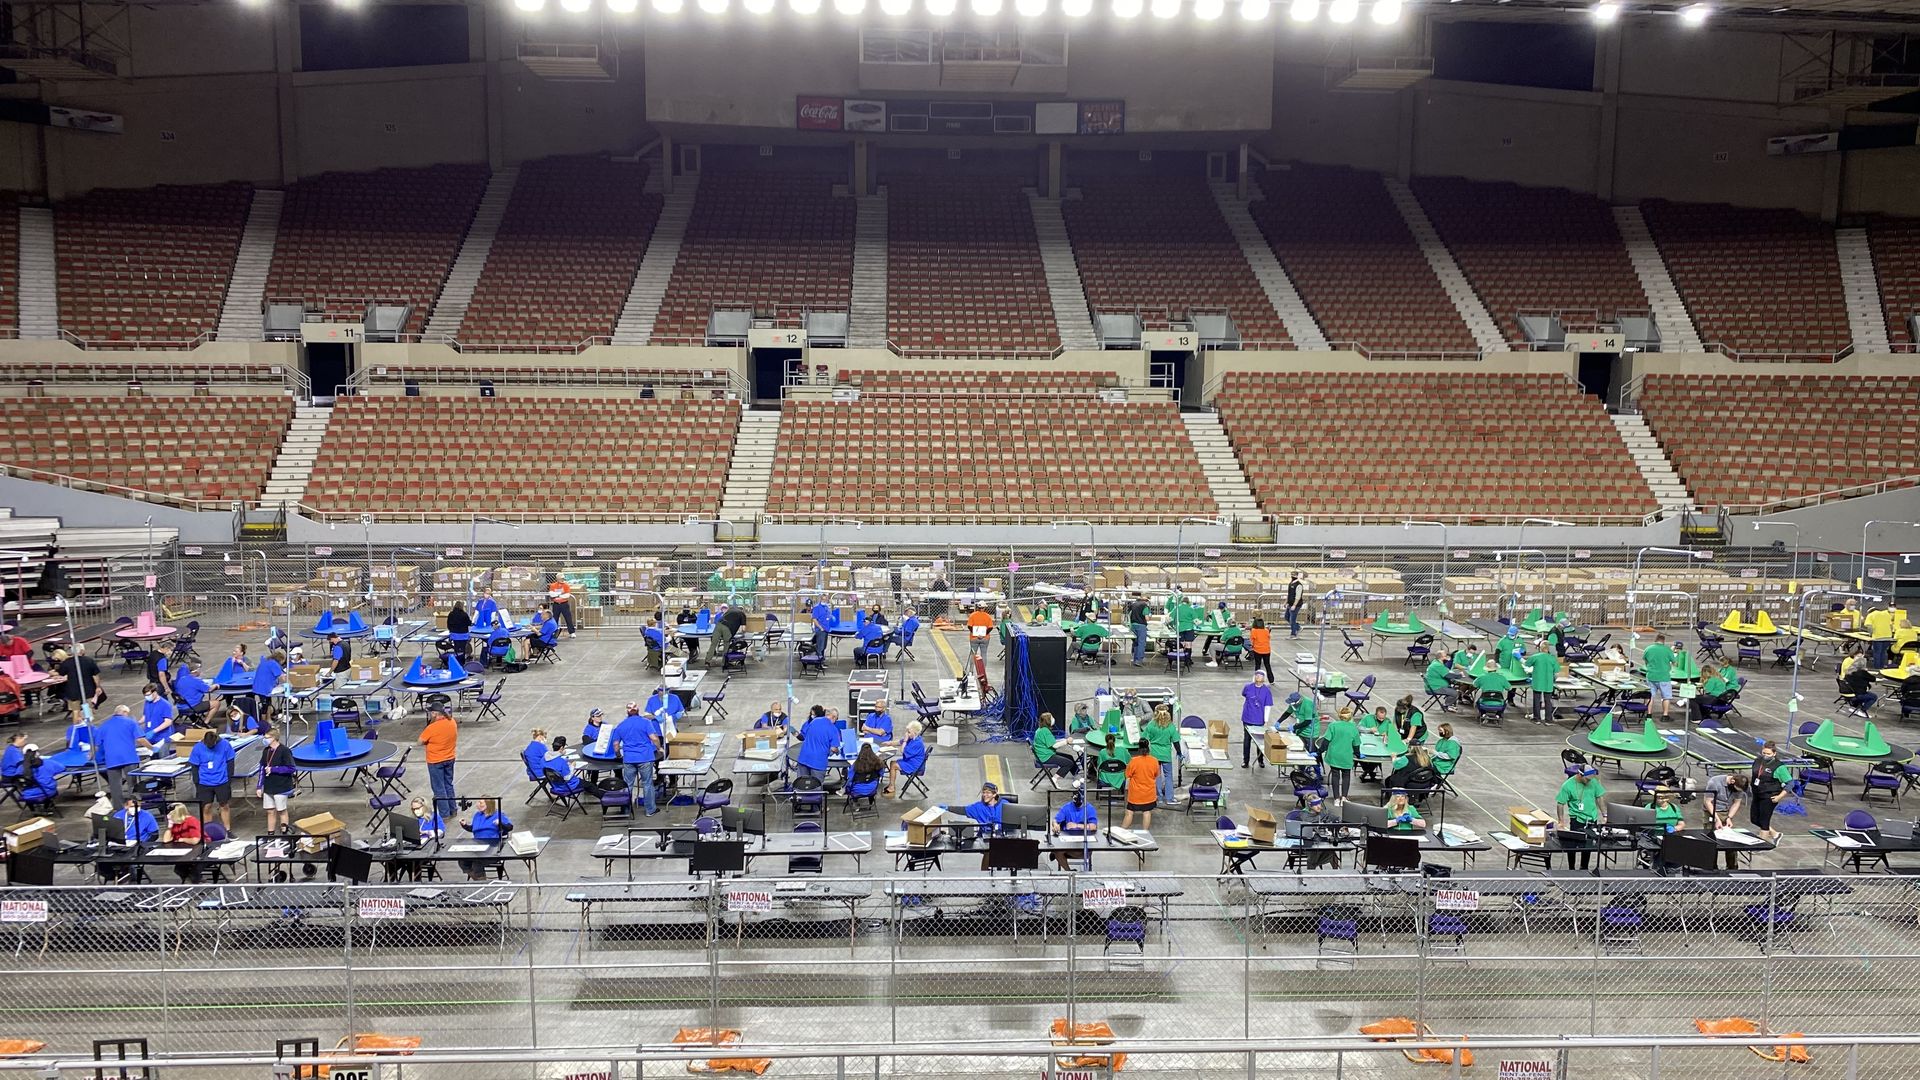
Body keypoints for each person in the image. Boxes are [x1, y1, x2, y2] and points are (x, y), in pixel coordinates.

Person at [94, 704, 151, 806]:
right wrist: (152, 748)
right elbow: (140, 739)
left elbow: (96, 745)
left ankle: (118, 807)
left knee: (115, 786)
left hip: (112, 759)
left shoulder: (104, 725)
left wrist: (90, 756)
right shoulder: (131, 722)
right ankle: (134, 805)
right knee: (132, 784)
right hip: (129, 758)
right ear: (124, 712)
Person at [610, 707, 662, 816]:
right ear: (638, 711)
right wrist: (659, 748)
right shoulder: (646, 722)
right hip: (645, 758)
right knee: (647, 784)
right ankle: (650, 810)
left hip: (629, 759)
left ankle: (626, 810)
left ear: (627, 713)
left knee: (628, 784)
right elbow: (654, 738)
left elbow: (615, 745)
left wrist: (618, 755)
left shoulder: (621, 725)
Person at [1556, 765, 1607, 869]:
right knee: (1572, 846)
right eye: (1587, 779)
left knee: (1588, 846)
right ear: (1580, 775)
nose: (1589, 782)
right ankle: (1571, 868)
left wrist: (1604, 814)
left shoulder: (1593, 782)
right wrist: (1561, 821)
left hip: (1591, 819)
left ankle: (1584, 868)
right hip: (1577, 819)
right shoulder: (1568, 785)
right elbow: (1560, 803)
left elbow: (1599, 797)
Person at [188, 729, 237, 833]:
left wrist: (229, 778)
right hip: (204, 782)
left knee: (224, 805)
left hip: (222, 781)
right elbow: (194, 766)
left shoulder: (225, 745)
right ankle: (208, 831)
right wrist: (197, 782)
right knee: (206, 807)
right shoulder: (197, 748)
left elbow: (230, 761)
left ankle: (227, 830)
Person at [1703, 772, 1749, 870]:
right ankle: (1711, 867)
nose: (1737, 792)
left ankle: (1732, 867)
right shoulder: (1714, 782)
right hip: (1712, 811)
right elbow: (1708, 802)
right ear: (1732, 781)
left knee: (1731, 841)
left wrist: (1729, 817)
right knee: (1712, 840)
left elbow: (1736, 803)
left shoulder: (1739, 787)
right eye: (1736, 789)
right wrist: (1716, 819)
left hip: (1726, 811)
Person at [420, 710, 460, 821]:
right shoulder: (452, 722)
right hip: (450, 758)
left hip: (435, 760)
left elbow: (420, 741)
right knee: (448, 785)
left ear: (434, 714)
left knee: (439, 788)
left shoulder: (432, 728)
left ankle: (444, 814)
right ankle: (453, 809)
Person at [458, 799, 512, 879]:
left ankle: (482, 883)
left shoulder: (498, 814)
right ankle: (478, 879)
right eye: (478, 802)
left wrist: (500, 823)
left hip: (492, 849)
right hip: (477, 848)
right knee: (462, 861)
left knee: (477, 863)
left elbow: (509, 827)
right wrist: (465, 825)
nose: (478, 804)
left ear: (488, 804)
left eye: (481, 803)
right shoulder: (477, 815)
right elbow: (474, 828)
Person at [1749, 741, 1792, 842]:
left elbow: (1790, 784)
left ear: (1774, 753)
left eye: (1768, 754)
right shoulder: (1757, 761)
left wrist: (1779, 797)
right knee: (1754, 819)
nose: (1766, 755)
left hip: (1770, 796)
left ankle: (1761, 844)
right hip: (1757, 794)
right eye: (1764, 753)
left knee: (1764, 821)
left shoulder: (1779, 767)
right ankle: (1775, 834)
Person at [257, 728, 296, 834]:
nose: (265, 740)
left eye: (266, 738)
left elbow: (291, 768)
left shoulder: (284, 750)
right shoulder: (266, 751)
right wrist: (259, 786)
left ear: (274, 738)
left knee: (281, 810)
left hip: (281, 786)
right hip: (269, 786)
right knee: (270, 811)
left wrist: (274, 769)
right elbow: (262, 768)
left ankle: (284, 832)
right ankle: (270, 834)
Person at [52, 647, 103, 727]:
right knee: (88, 710)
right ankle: (89, 728)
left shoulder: (67, 662)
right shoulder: (89, 661)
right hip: (88, 690)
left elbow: (61, 673)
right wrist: (98, 686)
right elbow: (95, 676)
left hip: (72, 691)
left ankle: (76, 729)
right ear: (82, 651)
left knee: (75, 711)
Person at [1051, 785, 1099, 870]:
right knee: (1057, 851)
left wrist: (1077, 825)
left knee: (1058, 851)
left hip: (1083, 845)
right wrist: (1055, 825)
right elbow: (1055, 820)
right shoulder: (1067, 807)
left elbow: (1093, 826)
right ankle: (1069, 872)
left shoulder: (1089, 808)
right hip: (1067, 844)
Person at [1319, 705, 1360, 804]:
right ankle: (1344, 798)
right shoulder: (1353, 728)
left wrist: (1319, 752)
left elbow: (1326, 741)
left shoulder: (1333, 726)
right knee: (1346, 776)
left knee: (1335, 776)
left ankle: (1336, 799)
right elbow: (1356, 744)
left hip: (1334, 756)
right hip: (1346, 756)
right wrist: (1358, 754)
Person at [1144, 706, 1180, 806]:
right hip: (1166, 755)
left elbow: (1144, 739)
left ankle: (1158, 798)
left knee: (1157, 776)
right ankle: (1169, 798)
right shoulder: (1170, 726)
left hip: (1154, 754)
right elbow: (1176, 741)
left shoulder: (1151, 725)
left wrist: (1145, 752)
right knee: (1168, 776)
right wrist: (1179, 752)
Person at [1122, 740, 1160, 831]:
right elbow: (1156, 775)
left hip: (1135, 794)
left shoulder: (1134, 761)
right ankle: (1145, 833)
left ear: (1138, 749)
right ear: (1148, 748)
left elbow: (1127, 775)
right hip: (1149, 794)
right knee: (1146, 812)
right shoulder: (1154, 761)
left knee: (1129, 812)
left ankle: (1121, 832)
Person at [794, 706, 837, 785]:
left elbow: (804, 736)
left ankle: (801, 796)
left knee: (801, 785)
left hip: (804, 759)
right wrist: (836, 751)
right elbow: (833, 749)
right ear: (833, 717)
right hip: (818, 763)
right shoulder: (833, 729)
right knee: (816, 788)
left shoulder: (814, 721)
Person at [1240, 671, 1274, 769]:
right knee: (1247, 740)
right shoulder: (1248, 687)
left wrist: (1266, 720)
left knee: (1260, 741)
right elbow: (1244, 694)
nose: (1258, 677)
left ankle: (1260, 760)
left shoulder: (1266, 691)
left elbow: (1267, 706)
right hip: (1247, 718)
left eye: (1260, 676)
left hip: (1259, 720)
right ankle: (1245, 761)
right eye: (1256, 676)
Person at [1642, 634, 1677, 721]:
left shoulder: (1648, 649)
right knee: (1666, 697)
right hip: (1664, 677)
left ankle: (1648, 714)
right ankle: (1665, 715)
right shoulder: (1667, 650)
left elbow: (1645, 661)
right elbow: (1675, 663)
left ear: (1655, 640)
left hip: (1651, 676)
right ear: (1663, 641)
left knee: (1650, 696)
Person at [888, 720, 928, 796]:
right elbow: (900, 742)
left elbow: (902, 750)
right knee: (892, 762)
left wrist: (905, 740)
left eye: (909, 732)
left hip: (914, 766)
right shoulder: (914, 738)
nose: (907, 733)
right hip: (911, 761)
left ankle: (891, 787)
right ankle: (891, 785)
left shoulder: (917, 743)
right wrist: (889, 743)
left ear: (915, 733)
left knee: (893, 765)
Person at [1032, 712, 1078, 778]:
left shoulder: (1041, 729)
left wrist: (1063, 740)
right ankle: (1055, 779)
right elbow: (1054, 745)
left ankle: (1077, 775)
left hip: (1044, 754)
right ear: (1048, 721)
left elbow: (1051, 741)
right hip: (1046, 757)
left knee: (1069, 757)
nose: (1053, 719)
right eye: (1051, 718)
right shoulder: (1045, 731)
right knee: (1069, 763)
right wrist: (1066, 741)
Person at [248, 649, 285, 727]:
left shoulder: (265, 661)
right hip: (263, 688)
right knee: (265, 705)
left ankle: (268, 720)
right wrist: (288, 684)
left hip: (259, 686)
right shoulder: (274, 664)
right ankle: (263, 723)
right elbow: (281, 676)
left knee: (268, 703)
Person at [141, 684, 177, 755]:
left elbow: (168, 722)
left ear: (154, 693)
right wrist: (137, 723)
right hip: (150, 739)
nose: (147, 697)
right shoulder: (147, 703)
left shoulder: (165, 704)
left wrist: (154, 731)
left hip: (162, 739)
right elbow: (145, 716)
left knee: (162, 759)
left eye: (148, 695)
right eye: (145, 696)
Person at [1527, 647, 1560, 725]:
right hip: (1548, 683)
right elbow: (1557, 672)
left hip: (1538, 682)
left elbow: (1527, 664)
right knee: (1548, 701)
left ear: (1540, 648)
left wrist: (1519, 658)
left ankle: (1536, 719)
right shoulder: (1552, 659)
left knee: (1537, 700)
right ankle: (1548, 720)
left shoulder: (1535, 657)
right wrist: (1554, 680)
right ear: (1548, 649)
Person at [1867, 603, 1896, 670]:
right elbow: (1891, 626)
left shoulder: (1871, 615)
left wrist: (1870, 634)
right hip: (1888, 637)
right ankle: (1882, 666)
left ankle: (1877, 667)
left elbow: (1869, 626)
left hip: (1878, 637)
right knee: (1883, 652)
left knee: (1877, 652)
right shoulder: (1886, 614)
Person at [1126, 593, 1151, 667]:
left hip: (1133, 625)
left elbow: (1128, 615)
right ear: (1146, 600)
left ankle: (1135, 659)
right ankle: (1139, 660)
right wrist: (1150, 616)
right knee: (1141, 643)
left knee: (1135, 643)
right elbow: (1147, 618)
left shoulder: (1133, 604)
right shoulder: (1145, 606)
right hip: (1141, 626)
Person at [1285, 572, 1304, 638]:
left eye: (1294, 575)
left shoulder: (1299, 585)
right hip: (1290, 603)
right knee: (1287, 617)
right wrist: (1286, 602)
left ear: (1297, 576)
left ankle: (1293, 634)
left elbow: (1298, 596)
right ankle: (1298, 627)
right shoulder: (1290, 584)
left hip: (1296, 605)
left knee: (1292, 619)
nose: (1292, 576)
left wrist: (1294, 605)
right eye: (1292, 575)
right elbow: (1289, 594)